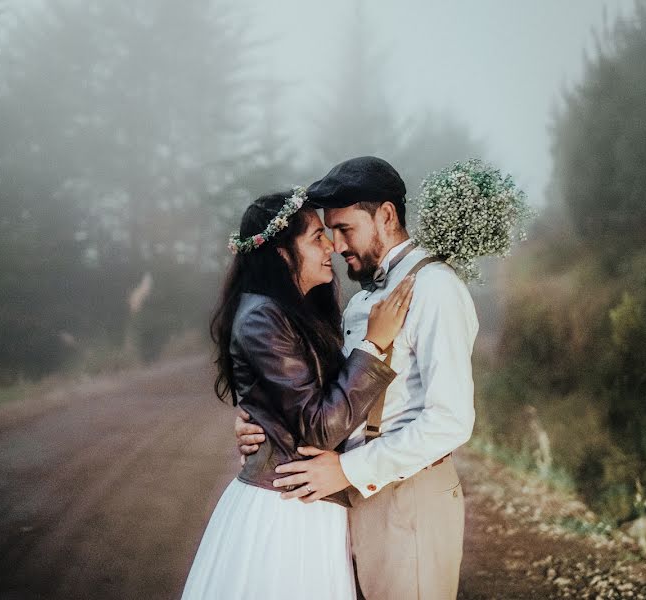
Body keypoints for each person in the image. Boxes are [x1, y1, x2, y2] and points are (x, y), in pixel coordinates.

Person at [236, 157, 479, 599]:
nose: (337, 245)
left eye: (346, 229)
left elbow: (451, 420)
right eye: (329, 232)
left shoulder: (434, 288)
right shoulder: (363, 299)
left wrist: (348, 468)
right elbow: (329, 398)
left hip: (408, 501)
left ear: (386, 216)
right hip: (352, 500)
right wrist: (262, 421)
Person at [181, 188, 416, 600]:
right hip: (286, 511)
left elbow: (300, 403)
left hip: (310, 500)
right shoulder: (261, 319)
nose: (332, 246)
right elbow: (320, 427)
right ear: (281, 253)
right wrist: (374, 346)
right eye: (316, 237)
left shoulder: (296, 312)